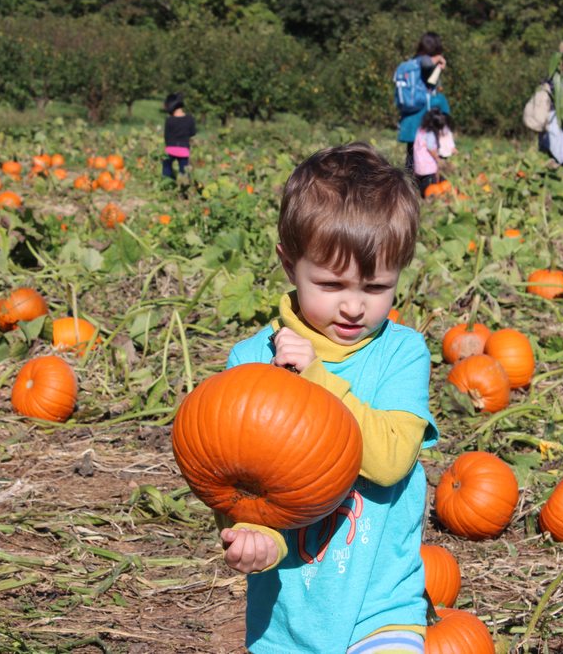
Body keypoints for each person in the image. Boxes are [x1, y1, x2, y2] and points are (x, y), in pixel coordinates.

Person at [221, 142, 439, 653]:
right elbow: (237, 483)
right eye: (330, 283)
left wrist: (317, 380)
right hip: (284, 624)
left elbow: (388, 460)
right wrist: (254, 537)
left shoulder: (402, 354)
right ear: (288, 263)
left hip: (382, 607)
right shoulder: (251, 363)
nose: (354, 306)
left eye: (377, 286)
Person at [397, 32, 450, 175]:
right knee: (426, 149)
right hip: (422, 114)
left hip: (409, 115)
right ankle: (424, 185)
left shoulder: (410, 63)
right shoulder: (424, 61)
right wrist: (439, 59)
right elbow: (426, 62)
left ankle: (407, 185)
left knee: (412, 153)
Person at [539, 50, 563, 174]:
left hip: (546, 124)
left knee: (550, 160)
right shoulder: (562, 83)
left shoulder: (546, 81)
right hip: (558, 125)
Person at [413, 107, 450, 195]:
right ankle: (429, 197)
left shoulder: (420, 130)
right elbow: (431, 148)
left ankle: (421, 194)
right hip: (428, 166)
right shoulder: (430, 134)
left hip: (419, 164)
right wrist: (437, 158)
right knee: (430, 188)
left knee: (422, 185)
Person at [162, 92, 196, 179]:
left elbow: (166, 136)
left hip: (170, 149)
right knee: (184, 170)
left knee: (166, 165)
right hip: (184, 149)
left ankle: (167, 181)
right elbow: (193, 132)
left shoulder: (169, 120)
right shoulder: (190, 118)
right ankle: (184, 186)